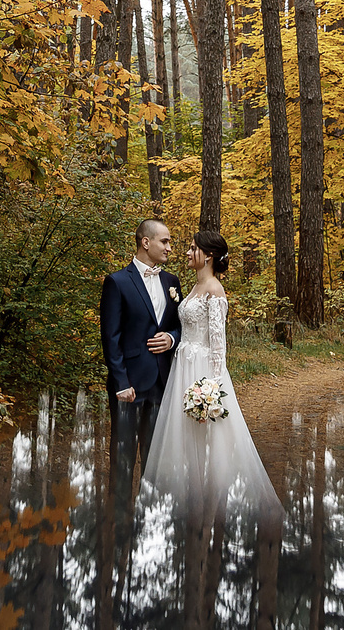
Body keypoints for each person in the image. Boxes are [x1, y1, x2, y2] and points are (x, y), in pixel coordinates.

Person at [143, 229, 278, 520]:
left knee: (208, 435)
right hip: (183, 364)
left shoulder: (214, 290)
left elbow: (219, 346)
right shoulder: (193, 287)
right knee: (185, 434)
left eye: (193, 249)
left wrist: (212, 390)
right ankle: (192, 496)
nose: (188, 253)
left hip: (203, 370)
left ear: (209, 255)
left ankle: (211, 504)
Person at [99, 217, 183, 464]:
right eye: (165, 241)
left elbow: (180, 325)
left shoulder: (172, 282)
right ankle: (119, 505)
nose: (169, 247)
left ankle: (150, 504)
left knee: (156, 459)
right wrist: (121, 382)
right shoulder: (117, 282)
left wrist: (171, 338)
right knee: (123, 460)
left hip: (162, 382)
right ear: (146, 242)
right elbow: (110, 337)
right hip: (130, 385)